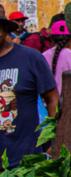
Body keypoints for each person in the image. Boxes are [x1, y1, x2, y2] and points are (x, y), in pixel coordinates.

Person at [0, 13, 58, 167]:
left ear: (5, 29)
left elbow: (53, 99)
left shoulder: (30, 58)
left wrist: (56, 141)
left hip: (24, 160)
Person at [41, 21, 71, 97]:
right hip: (69, 101)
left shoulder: (43, 56)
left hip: (47, 102)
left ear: (51, 38)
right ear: (70, 39)